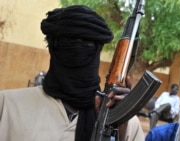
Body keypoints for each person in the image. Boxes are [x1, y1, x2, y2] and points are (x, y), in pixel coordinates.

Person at [0, 5, 144, 141]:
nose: (79, 50)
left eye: (88, 44)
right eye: (71, 41)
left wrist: (118, 132)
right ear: (53, 47)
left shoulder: (126, 123)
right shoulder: (6, 105)